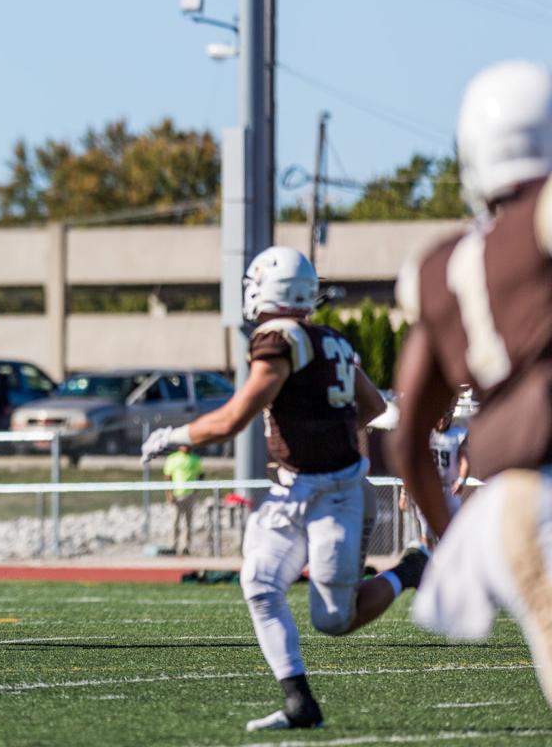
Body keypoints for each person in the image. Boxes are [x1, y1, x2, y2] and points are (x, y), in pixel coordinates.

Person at [141, 245, 428, 732]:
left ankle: (411, 567)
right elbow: (374, 405)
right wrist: (327, 425)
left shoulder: (278, 337)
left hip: (337, 492)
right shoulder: (328, 338)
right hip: (296, 489)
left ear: (266, 289)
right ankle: (300, 703)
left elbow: (234, 418)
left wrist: (173, 436)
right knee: (259, 583)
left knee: (335, 619)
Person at [389, 60, 552, 705]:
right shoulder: (541, 220)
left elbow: (408, 441)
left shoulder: (434, 267)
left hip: (514, 503)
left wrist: (452, 541)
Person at [399, 404, 469, 550]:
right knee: (427, 533)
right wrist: (404, 493)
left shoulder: (458, 434)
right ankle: (428, 566)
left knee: (452, 532)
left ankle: (448, 566)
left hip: (449, 488)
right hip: (427, 488)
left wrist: (461, 480)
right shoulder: (425, 433)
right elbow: (413, 465)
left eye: (446, 417)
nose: (442, 421)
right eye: (440, 416)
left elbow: (464, 461)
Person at [163, 444, 203, 555]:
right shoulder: (173, 458)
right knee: (174, 522)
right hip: (176, 495)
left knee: (188, 523)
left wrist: (196, 490)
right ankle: (173, 545)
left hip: (190, 495)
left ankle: (187, 547)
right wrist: (168, 494)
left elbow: (201, 475)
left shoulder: (195, 459)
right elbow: (167, 477)